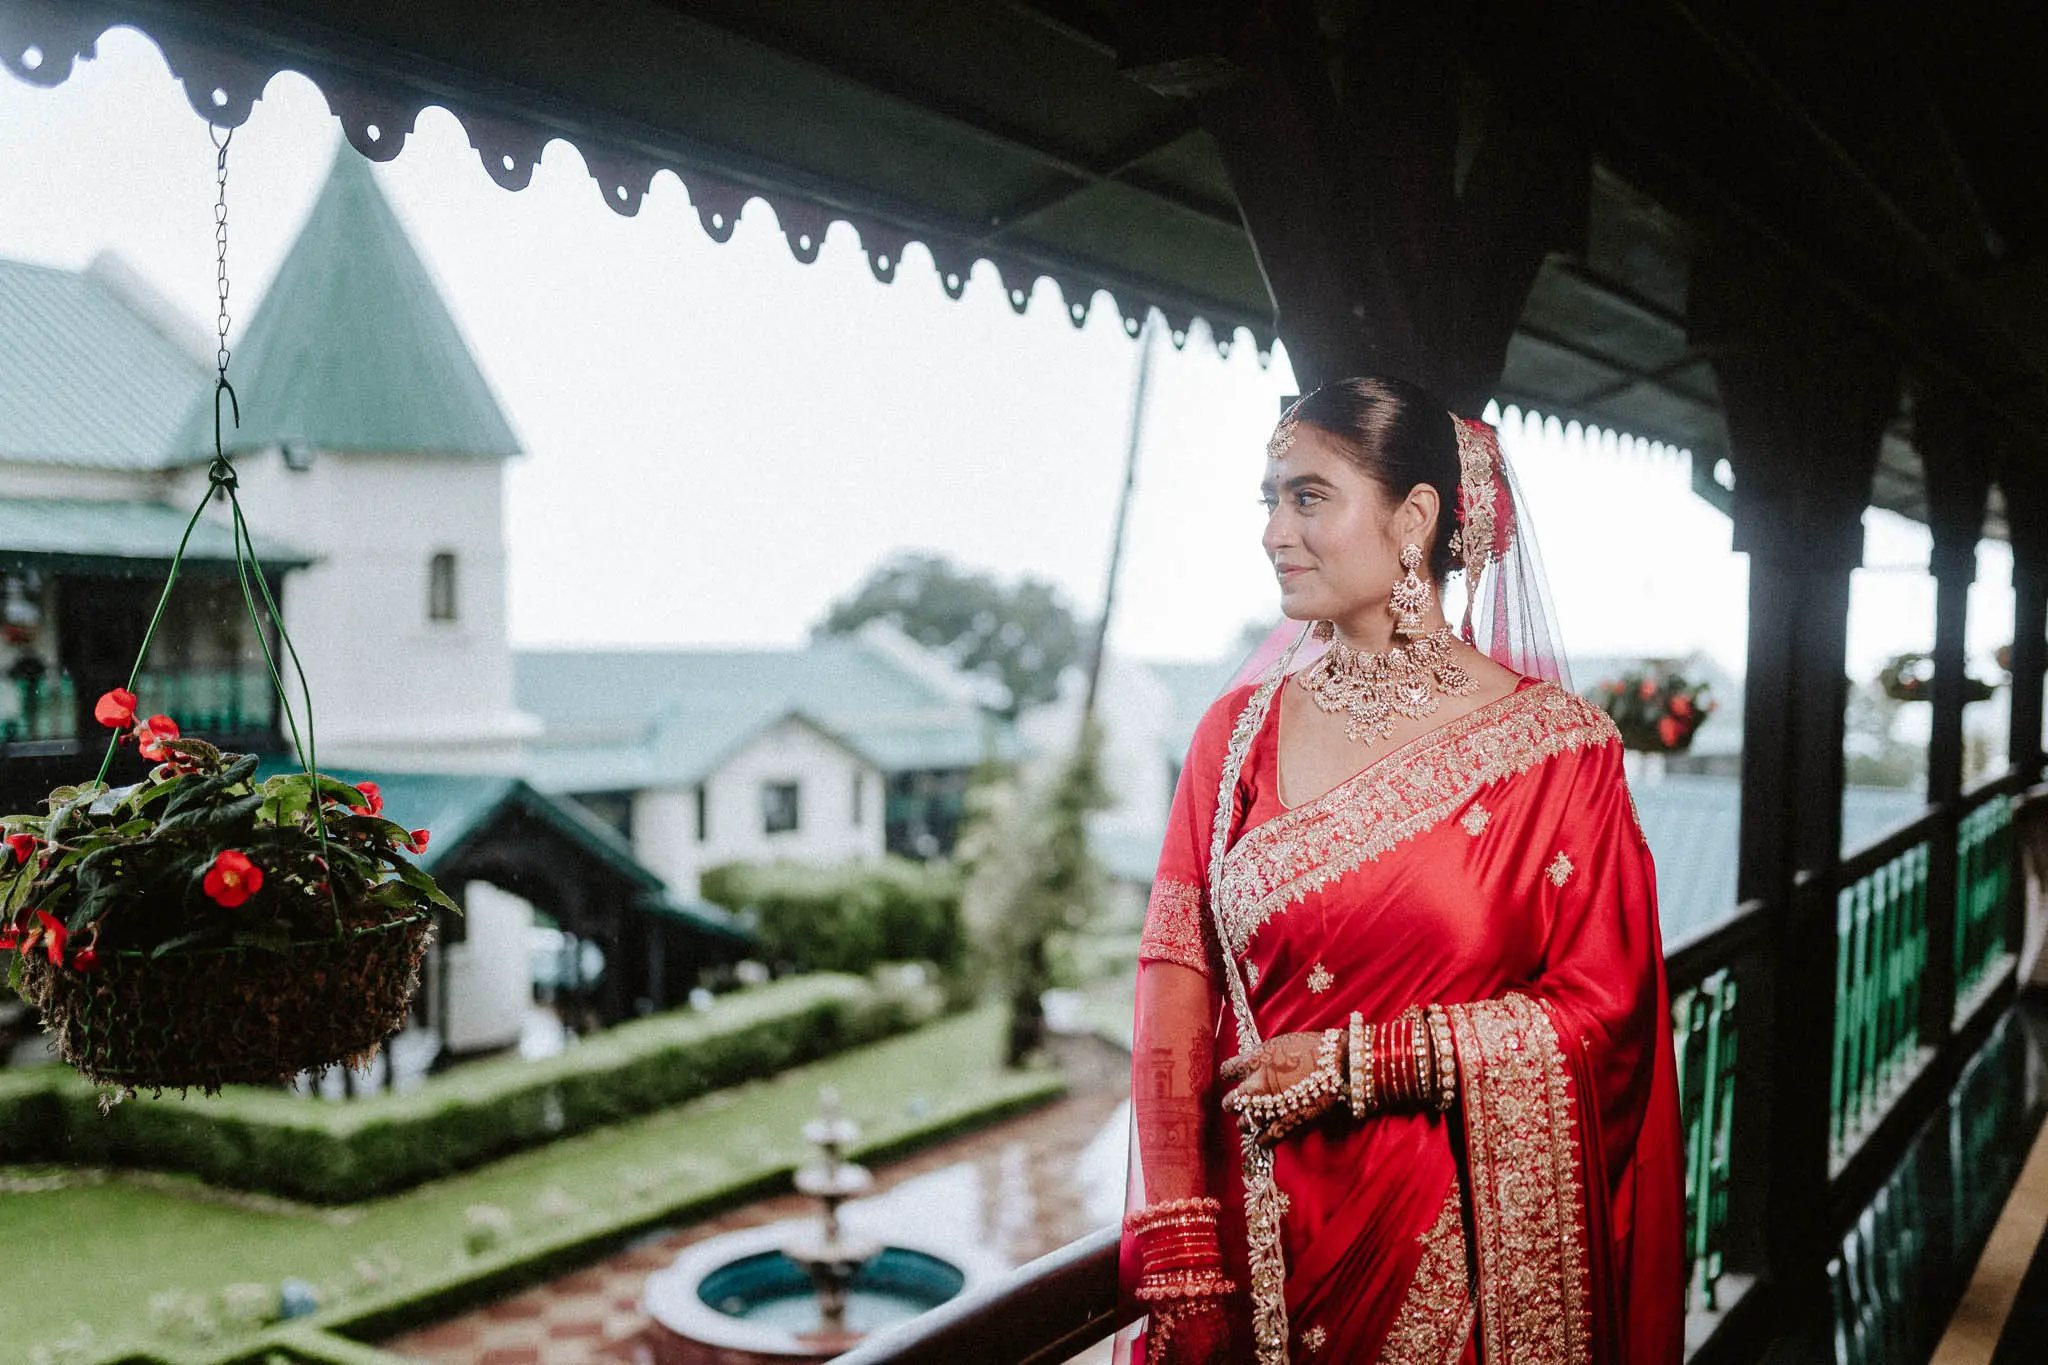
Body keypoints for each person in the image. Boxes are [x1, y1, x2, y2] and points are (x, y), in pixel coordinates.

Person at [1117, 377, 1685, 1364]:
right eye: (1269, 499)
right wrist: (1179, 1248)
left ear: (1413, 517)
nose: (1272, 533)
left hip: (1457, 1270)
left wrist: (1367, 1065)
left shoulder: (1557, 752)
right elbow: (1175, 980)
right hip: (1256, 1255)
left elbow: (1609, 1012)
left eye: (1307, 497)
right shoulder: (1232, 738)